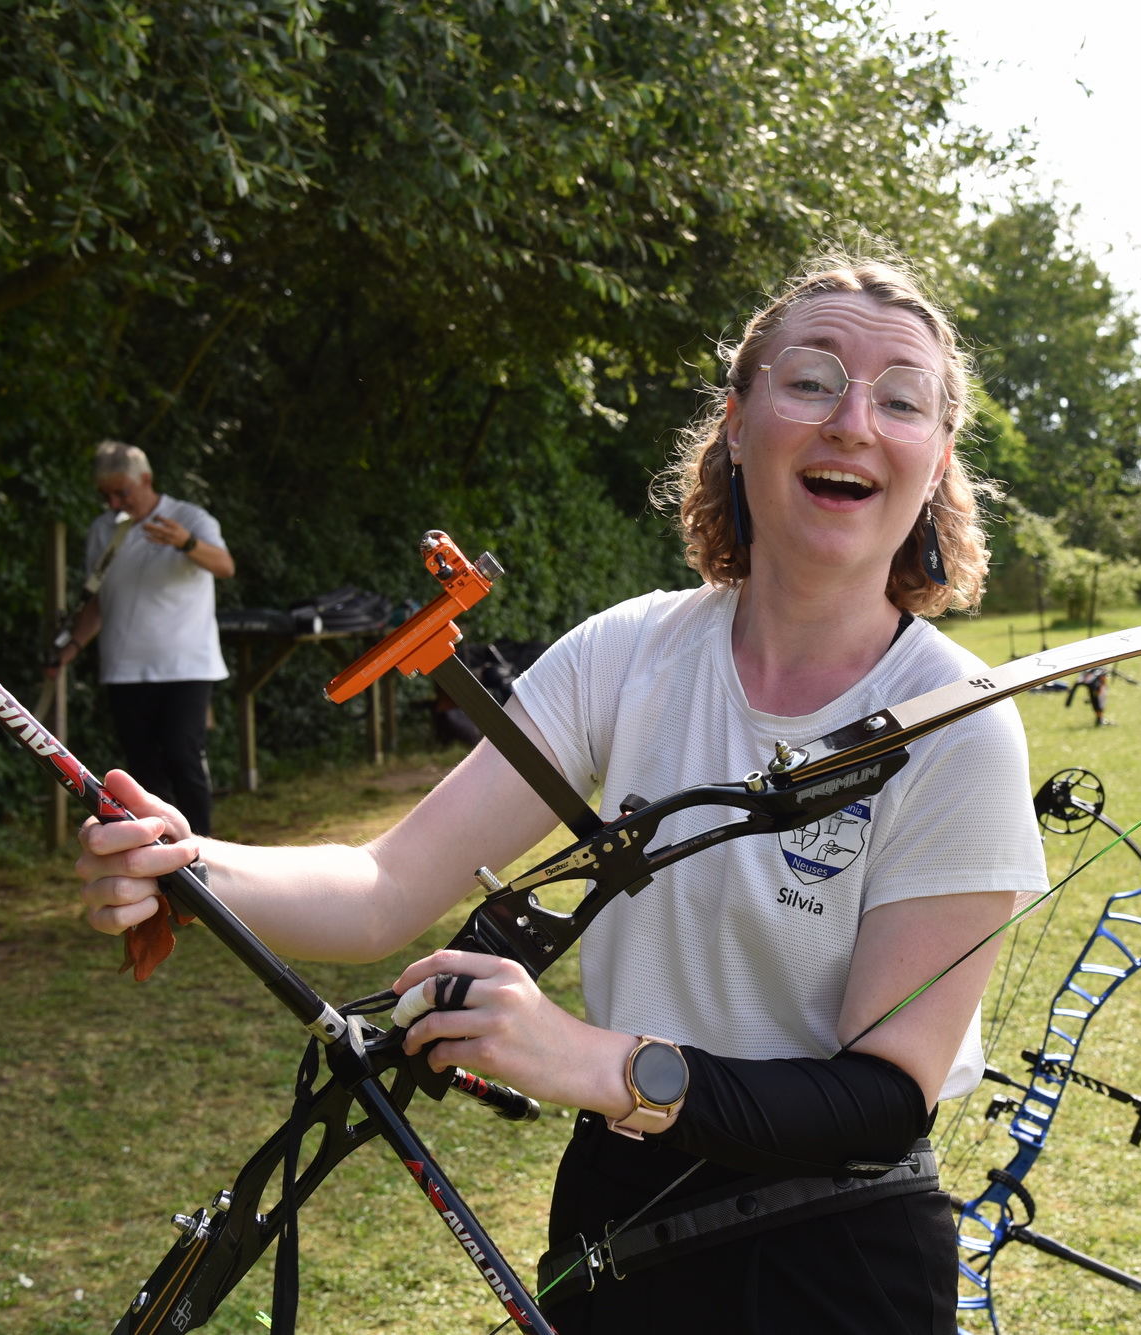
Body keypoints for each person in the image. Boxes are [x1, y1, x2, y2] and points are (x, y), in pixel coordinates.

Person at [73, 259, 1047, 1334]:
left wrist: (591, 1060)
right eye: (811, 381)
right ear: (735, 423)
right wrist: (186, 864)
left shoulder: (958, 722)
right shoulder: (626, 652)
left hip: (838, 1250)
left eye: (901, 399)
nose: (853, 422)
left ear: (936, 458)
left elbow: (879, 1099)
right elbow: (383, 886)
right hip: (615, 1222)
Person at [55, 441, 235, 837]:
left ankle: (202, 850)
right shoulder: (104, 530)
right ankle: (161, 852)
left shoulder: (189, 518)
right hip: (124, 669)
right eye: (106, 495)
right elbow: (99, 602)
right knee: (143, 772)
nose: (114, 503)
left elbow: (225, 565)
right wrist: (71, 648)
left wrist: (186, 543)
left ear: (146, 479)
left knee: (182, 756)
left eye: (122, 493)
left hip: (186, 666)